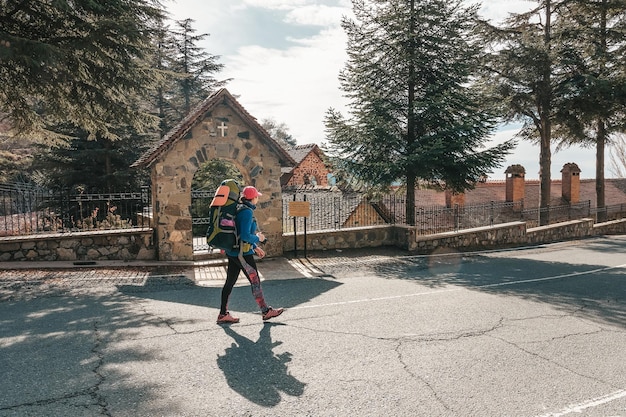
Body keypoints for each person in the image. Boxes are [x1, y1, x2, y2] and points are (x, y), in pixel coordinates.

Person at [217, 185, 284, 324]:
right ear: (253, 198)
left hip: (234, 252)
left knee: (229, 282)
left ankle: (223, 314)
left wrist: (254, 247)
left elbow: (238, 233)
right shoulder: (246, 212)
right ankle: (266, 311)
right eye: (257, 196)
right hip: (243, 254)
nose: (257, 198)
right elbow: (246, 236)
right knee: (255, 281)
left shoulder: (239, 209)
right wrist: (258, 239)